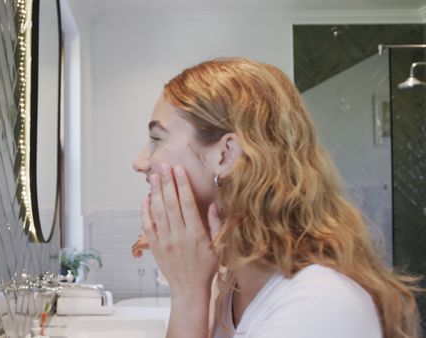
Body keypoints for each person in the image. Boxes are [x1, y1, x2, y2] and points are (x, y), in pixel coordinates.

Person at [132, 58, 421, 338]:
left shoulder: (320, 304)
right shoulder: (233, 290)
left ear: (225, 154)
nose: (140, 162)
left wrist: (188, 298)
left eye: (157, 139)